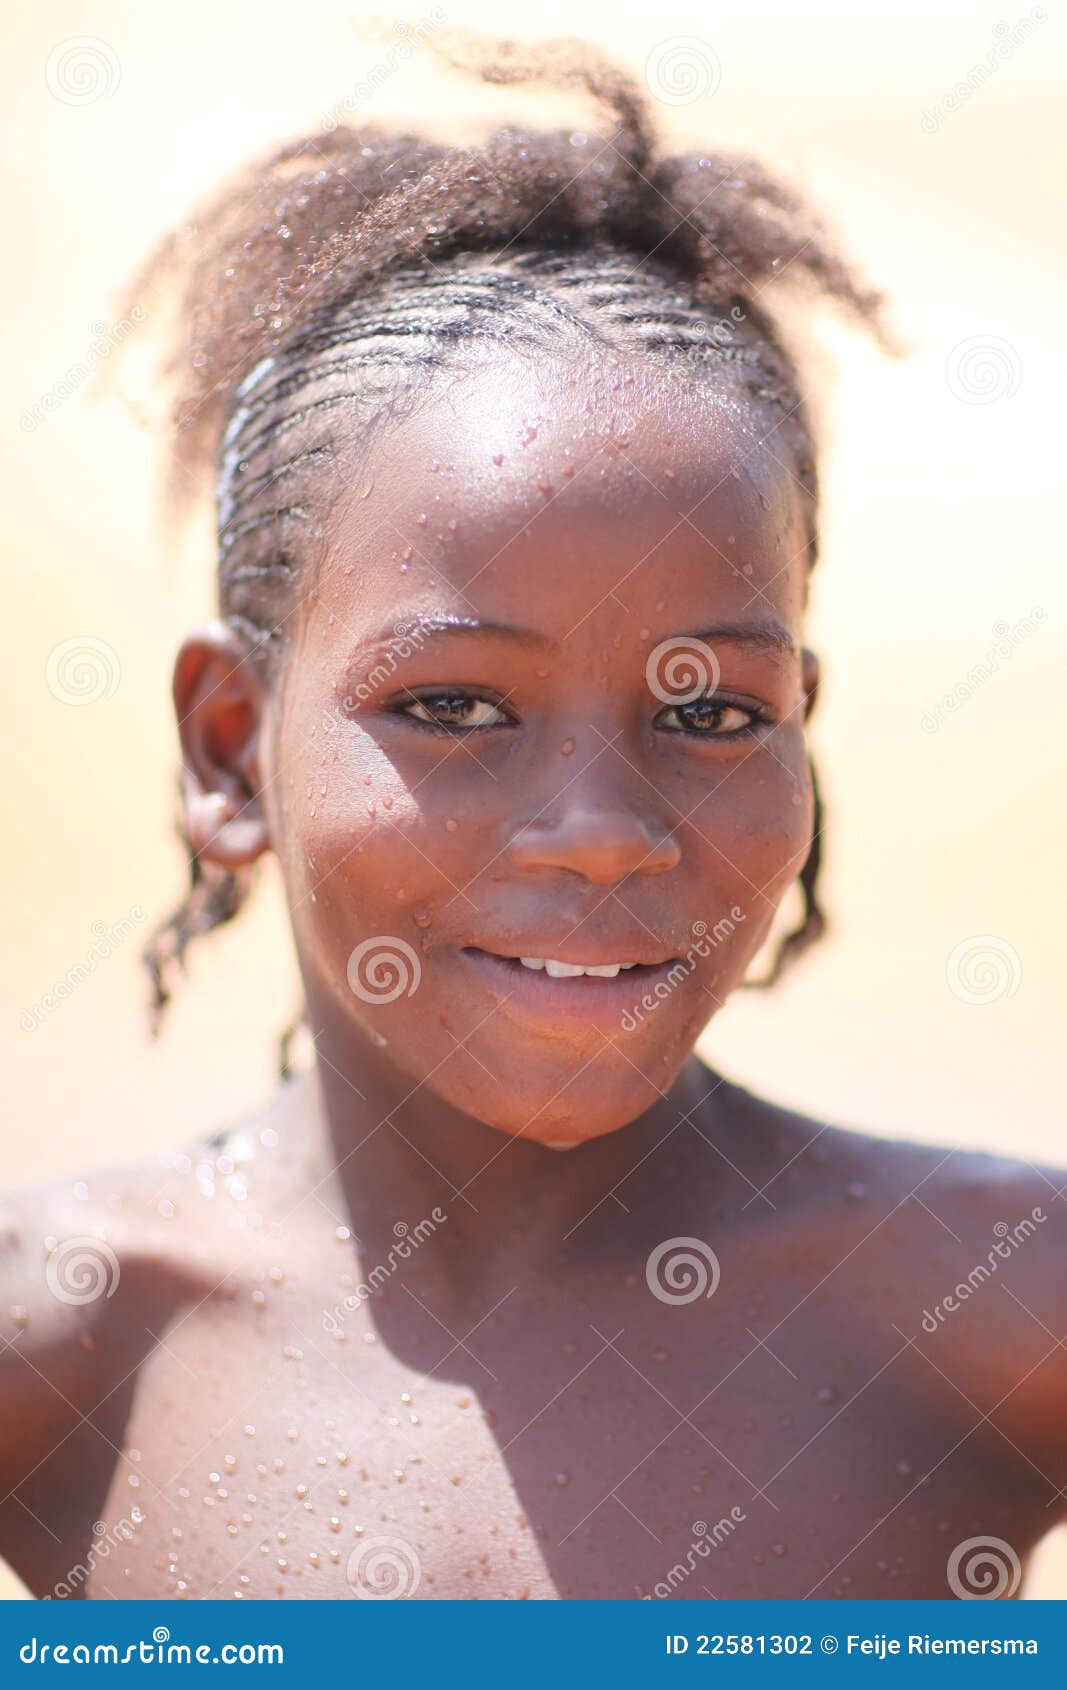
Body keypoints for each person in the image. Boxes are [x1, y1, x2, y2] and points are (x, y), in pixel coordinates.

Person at [2, 37, 1062, 1602]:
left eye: (710, 713)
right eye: (454, 706)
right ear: (231, 752)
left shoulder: (998, 1308)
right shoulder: (71, 1347)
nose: (600, 831)